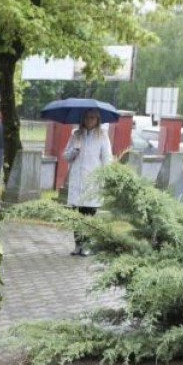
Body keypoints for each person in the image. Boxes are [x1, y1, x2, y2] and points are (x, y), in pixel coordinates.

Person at [63, 109, 112, 256]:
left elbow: (107, 159)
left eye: (93, 118)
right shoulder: (76, 134)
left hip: (92, 181)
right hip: (77, 181)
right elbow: (66, 156)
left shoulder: (102, 136)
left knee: (89, 215)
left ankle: (87, 245)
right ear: (83, 119)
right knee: (76, 216)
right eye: (87, 117)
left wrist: (105, 178)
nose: (90, 120)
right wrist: (74, 150)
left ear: (97, 120)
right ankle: (78, 244)